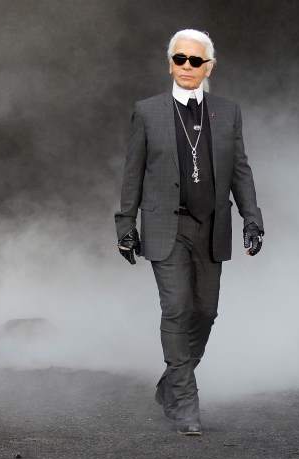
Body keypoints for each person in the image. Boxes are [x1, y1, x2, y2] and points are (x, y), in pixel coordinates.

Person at [114, 28, 265, 436]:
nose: (186, 66)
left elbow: (240, 170)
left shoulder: (227, 112)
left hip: (212, 226)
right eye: (179, 59)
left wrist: (252, 219)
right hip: (166, 225)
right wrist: (125, 224)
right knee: (177, 309)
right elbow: (132, 172)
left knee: (205, 313)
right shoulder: (148, 111)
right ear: (170, 64)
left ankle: (170, 384)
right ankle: (185, 403)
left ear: (208, 67)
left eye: (195, 60)